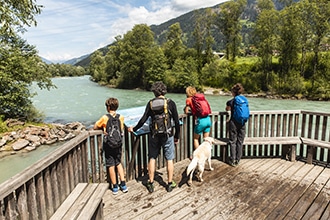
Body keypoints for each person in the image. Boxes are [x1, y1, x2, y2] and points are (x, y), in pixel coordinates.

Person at [128, 81, 180, 193]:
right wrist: (177, 136)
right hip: (168, 134)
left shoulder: (151, 104)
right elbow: (176, 120)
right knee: (169, 159)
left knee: (152, 158)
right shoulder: (170, 103)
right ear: (164, 91)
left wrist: (134, 129)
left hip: (154, 135)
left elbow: (143, 119)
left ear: (154, 92)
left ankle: (151, 183)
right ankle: (170, 183)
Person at [94, 97, 128, 195]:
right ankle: (123, 184)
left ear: (108, 107)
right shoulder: (121, 117)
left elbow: (95, 126)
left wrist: (103, 129)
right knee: (118, 163)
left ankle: (115, 186)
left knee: (111, 165)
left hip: (109, 144)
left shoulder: (105, 117)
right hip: (118, 143)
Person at [226, 83, 247, 166]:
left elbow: (227, 108)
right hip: (242, 122)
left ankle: (232, 159)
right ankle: (238, 159)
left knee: (232, 141)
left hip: (234, 122)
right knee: (240, 141)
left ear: (233, 92)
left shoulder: (231, 101)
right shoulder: (244, 99)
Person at [184, 86, 211, 150]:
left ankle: (198, 156)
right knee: (206, 140)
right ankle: (205, 156)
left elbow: (186, 111)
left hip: (201, 121)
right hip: (208, 119)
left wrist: (187, 109)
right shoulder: (200, 98)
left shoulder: (189, 99)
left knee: (195, 139)